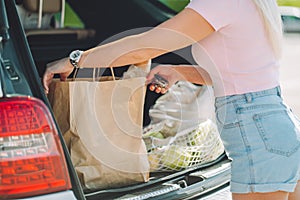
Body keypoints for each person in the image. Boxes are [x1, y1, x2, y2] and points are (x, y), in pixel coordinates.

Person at [43, 0, 300, 199]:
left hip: (258, 136)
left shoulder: (219, 2)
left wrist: (77, 60)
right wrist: (178, 72)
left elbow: (146, 45)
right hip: (276, 128)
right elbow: (234, 74)